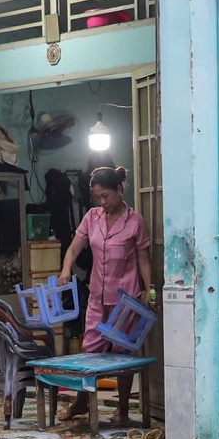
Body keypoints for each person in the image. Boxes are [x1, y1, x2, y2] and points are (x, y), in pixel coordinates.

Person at [57, 165, 156, 424]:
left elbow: (144, 259)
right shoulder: (92, 217)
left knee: (122, 353)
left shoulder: (135, 222)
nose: (102, 202)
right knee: (90, 349)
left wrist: (149, 289)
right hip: (97, 296)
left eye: (106, 196)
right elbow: (74, 248)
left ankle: (122, 409)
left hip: (127, 299)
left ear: (119, 189)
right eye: (97, 197)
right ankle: (81, 402)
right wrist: (66, 269)